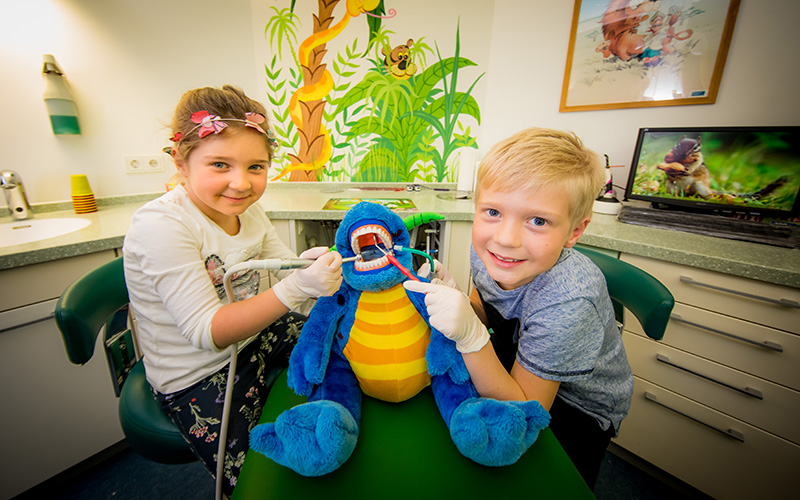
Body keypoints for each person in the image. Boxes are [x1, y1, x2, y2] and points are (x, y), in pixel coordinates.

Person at [123, 85, 343, 496]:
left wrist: (305, 264)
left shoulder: (249, 211)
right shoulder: (162, 226)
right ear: (181, 162)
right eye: (220, 164)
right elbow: (208, 332)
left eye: (256, 167)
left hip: (256, 335)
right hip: (198, 372)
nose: (240, 183)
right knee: (262, 477)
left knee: (343, 344)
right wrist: (299, 285)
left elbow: (280, 267)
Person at [405, 127, 633, 489]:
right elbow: (485, 305)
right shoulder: (490, 251)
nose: (506, 239)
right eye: (493, 211)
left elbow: (526, 409)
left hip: (578, 408)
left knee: (549, 483)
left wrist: (472, 337)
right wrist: (461, 304)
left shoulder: (570, 299)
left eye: (538, 221)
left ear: (575, 231)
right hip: (519, 362)